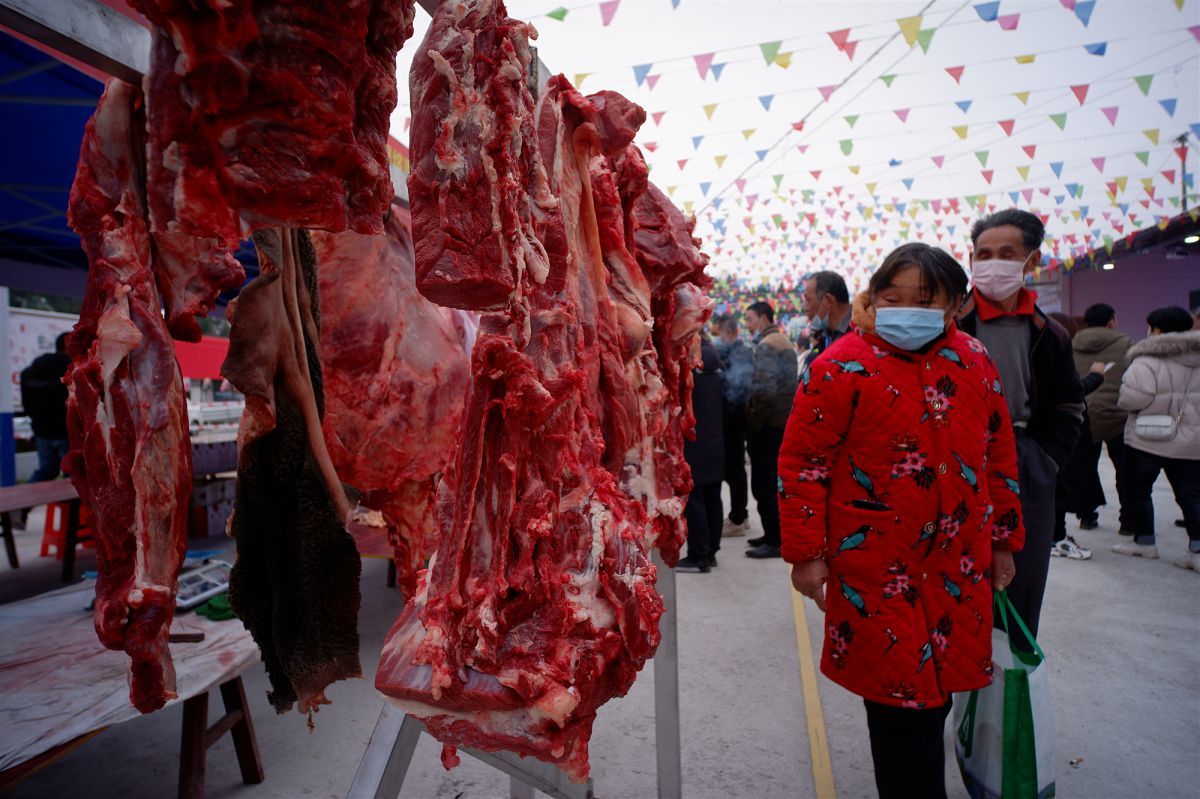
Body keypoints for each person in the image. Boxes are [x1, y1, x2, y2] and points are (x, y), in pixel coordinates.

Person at [782, 243, 1023, 799]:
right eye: (892, 298)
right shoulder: (839, 365)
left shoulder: (974, 359)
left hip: (959, 563)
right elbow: (803, 464)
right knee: (898, 705)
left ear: (958, 305)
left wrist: (1004, 539)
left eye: (924, 300)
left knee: (939, 695)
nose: (905, 311)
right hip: (876, 567)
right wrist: (806, 554)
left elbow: (998, 454)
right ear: (874, 296)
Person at [958, 209, 1084, 645]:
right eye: (983, 254)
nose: (992, 263)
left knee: (1020, 583)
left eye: (1006, 253)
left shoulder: (1050, 333)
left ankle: (1009, 679)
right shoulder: (950, 323)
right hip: (956, 458)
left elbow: (1069, 404)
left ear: (1032, 261)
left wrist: (1045, 461)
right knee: (954, 581)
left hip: (1025, 460)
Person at [1112, 306, 1200, 570]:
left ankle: (1145, 542)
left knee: (1138, 491)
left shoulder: (1146, 359)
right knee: (1191, 495)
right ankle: (1197, 550)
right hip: (1191, 441)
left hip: (1147, 439)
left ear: (1157, 330)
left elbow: (1132, 399)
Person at [1071, 302, 1132, 531]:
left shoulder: (1072, 343)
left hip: (1084, 413)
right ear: (1111, 322)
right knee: (1125, 471)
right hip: (1117, 417)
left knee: (1084, 468)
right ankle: (1128, 521)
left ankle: (1087, 516)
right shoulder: (1126, 344)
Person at [744, 301, 798, 559]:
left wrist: (753, 424)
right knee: (771, 485)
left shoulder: (768, 345)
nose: (748, 324)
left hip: (768, 427)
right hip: (780, 424)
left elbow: (765, 392)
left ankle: (774, 540)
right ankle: (771, 534)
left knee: (763, 486)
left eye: (750, 319)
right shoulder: (781, 340)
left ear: (763, 318)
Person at [1048, 312, 1103, 561]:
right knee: (1058, 488)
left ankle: (1055, 536)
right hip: (1057, 435)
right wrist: (1096, 377)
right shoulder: (1052, 354)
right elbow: (1070, 391)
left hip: (1054, 434)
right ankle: (1056, 538)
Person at [677, 336, 725, 573]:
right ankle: (712, 551)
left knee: (695, 500)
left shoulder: (688, 371)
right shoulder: (717, 370)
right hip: (716, 441)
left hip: (694, 442)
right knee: (713, 498)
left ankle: (698, 555)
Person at [713, 315, 753, 537]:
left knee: (735, 471)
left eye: (719, 333)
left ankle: (738, 517)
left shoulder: (738, 353)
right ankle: (741, 515)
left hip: (733, 420)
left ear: (728, 331)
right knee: (735, 470)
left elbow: (737, 388)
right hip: (734, 419)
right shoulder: (736, 352)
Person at [20, 333, 71, 482]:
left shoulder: (33, 369)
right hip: (66, 431)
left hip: (42, 431)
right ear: (68, 346)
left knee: (47, 470)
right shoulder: (70, 368)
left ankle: (29, 495)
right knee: (74, 473)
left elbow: (26, 403)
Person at [802, 271, 852, 366]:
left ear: (828, 300)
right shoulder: (824, 337)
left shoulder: (862, 333)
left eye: (808, 300)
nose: (805, 308)